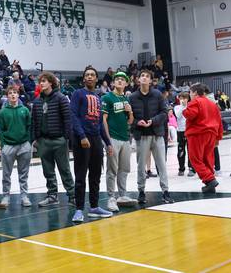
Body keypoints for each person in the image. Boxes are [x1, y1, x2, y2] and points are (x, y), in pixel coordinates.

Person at [70, 66, 113, 223]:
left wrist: (107, 143)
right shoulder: (78, 94)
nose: (89, 77)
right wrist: (81, 136)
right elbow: (73, 115)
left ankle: (94, 207)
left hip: (96, 140)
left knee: (95, 174)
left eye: (92, 75)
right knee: (81, 175)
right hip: (82, 138)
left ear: (96, 79)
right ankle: (79, 209)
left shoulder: (98, 97)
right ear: (83, 78)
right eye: (87, 75)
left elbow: (101, 123)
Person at [128, 70, 173, 205]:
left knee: (162, 165)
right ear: (138, 79)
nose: (145, 78)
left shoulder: (157, 94)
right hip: (141, 136)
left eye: (147, 76)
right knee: (141, 166)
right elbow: (129, 118)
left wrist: (153, 121)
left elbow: (164, 113)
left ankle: (166, 191)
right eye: (142, 76)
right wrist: (138, 122)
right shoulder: (133, 97)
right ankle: (141, 191)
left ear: (151, 80)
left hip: (157, 135)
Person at [31, 72, 74, 207]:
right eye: (40, 81)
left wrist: (66, 138)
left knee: (64, 170)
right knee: (48, 170)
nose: (41, 83)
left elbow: (68, 119)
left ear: (51, 82)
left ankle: (72, 196)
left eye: (44, 81)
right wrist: (35, 139)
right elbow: (34, 121)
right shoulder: (37, 101)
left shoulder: (61, 98)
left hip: (59, 140)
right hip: (43, 141)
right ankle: (52, 195)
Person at [101, 71, 136, 212]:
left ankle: (122, 195)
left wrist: (131, 111)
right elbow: (103, 120)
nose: (120, 81)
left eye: (123, 79)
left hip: (125, 138)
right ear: (113, 82)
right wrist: (107, 140)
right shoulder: (107, 97)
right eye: (117, 79)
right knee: (112, 170)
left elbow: (130, 121)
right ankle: (111, 197)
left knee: (124, 169)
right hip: (113, 138)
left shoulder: (126, 99)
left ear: (127, 83)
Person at [182, 83, 223, 193]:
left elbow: (190, 114)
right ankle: (209, 184)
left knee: (195, 159)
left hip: (198, 134)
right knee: (207, 158)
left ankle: (210, 179)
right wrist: (218, 137)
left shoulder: (195, 101)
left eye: (190, 93)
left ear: (195, 92)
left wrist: (184, 108)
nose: (190, 95)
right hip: (212, 134)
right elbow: (219, 121)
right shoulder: (212, 103)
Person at [0, 85, 32, 208]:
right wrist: (3, 144)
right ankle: (6, 196)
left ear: (18, 95)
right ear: (7, 96)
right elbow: (0, 129)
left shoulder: (25, 110)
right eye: (10, 93)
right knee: (6, 173)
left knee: (24, 173)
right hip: (8, 146)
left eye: (15, 93)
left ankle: (24, 196)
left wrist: (29, 142)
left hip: (24, 145)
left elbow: (29, 126)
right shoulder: (3, 112)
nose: (13, 95)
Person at [173, 93, 195, 177]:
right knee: (181, 150)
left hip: (189, 131)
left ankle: (191, 168)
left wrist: (186, 106)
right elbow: (178, 116)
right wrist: (182, 106)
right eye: (181, 98)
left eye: (185, 98)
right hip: (180, 131)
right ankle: (181, 168)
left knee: (191, 150)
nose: (183, 100)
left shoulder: (190, 106)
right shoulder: (177, 107)